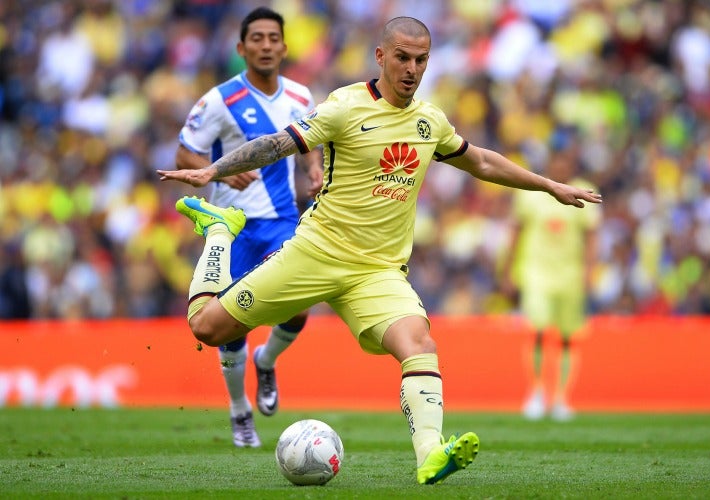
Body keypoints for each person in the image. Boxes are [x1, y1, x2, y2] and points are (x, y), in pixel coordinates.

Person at [158, 16, 602, 484]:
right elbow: (276, 145)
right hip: (316, 252)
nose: (412, 69)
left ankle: (431, 454)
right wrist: (213, 172)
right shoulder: (343, 107)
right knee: (206, 328)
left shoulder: (430, 121)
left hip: (378, 271)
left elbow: (482, 161)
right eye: (404, 58)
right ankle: (219, 233)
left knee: (420, 345)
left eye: (421, 60)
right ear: (381, 56)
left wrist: (549, 185)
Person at [174, 6, 323, 448]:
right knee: (229, 323)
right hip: (232, 225)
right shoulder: (218, 100)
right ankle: (240, 411)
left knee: (298, 304)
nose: (265, 45)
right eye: (256, 38)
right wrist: (219, 171)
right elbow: (186, 154)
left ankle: (267, 361)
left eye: (272, 38)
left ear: (284, 46)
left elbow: (310, 144)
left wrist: (313, 169)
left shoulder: (301, 97)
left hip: (281, 220)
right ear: (242, 48)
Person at [500, 147, 601, 421]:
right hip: (536, 272)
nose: (561, 165)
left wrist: (590, 271)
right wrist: (508, 270)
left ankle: (561, 399)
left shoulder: (584, 189)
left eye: (566, 159)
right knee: (538, 329)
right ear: (550, 162)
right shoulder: (531, 192)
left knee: (568, 338)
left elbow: (591, 236)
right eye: (557, 159)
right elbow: (515, 232)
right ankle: (536, 392)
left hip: (570, 274)